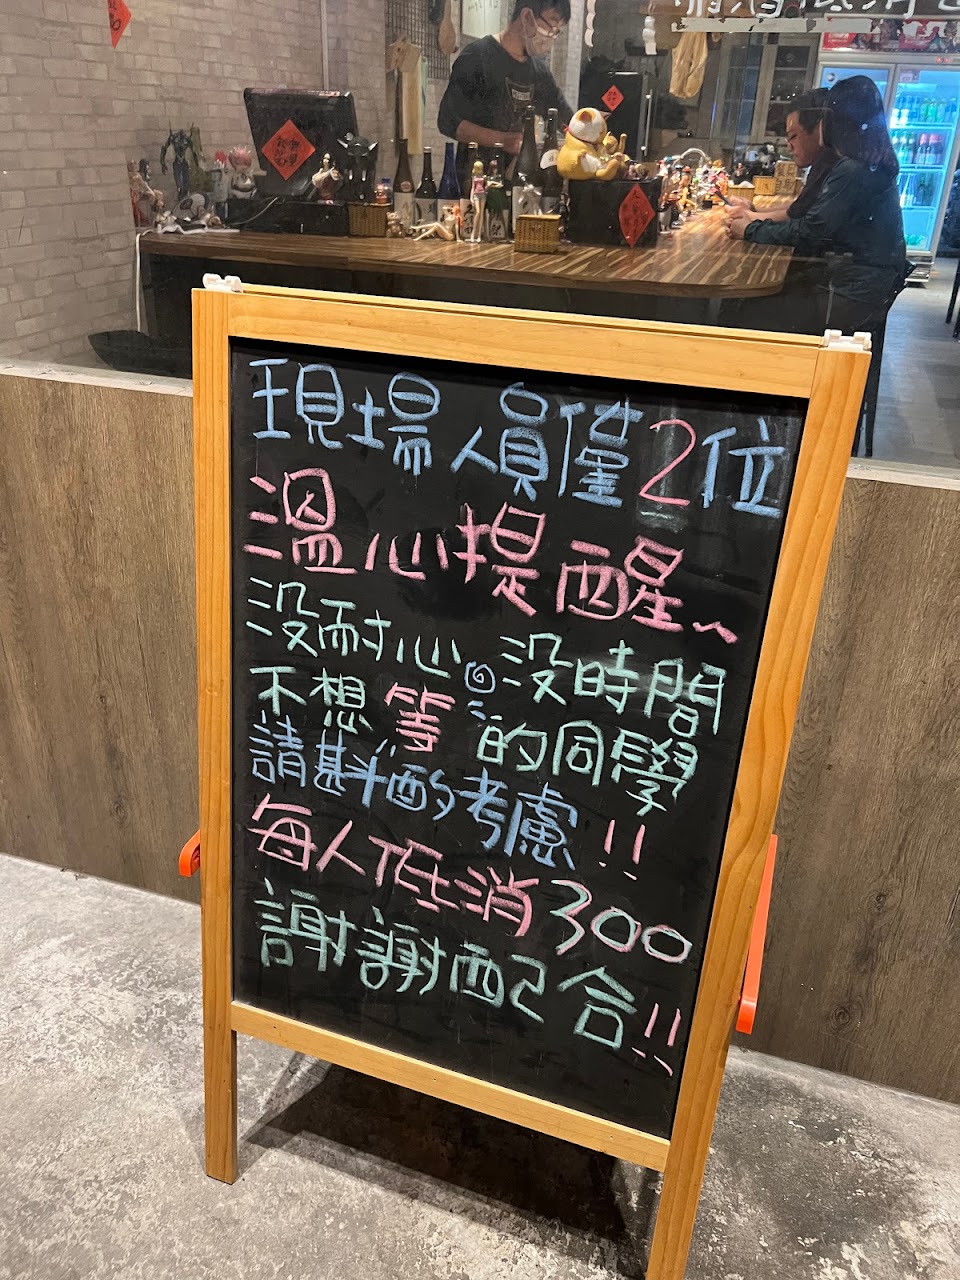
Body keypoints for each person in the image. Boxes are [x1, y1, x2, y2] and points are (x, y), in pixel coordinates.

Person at [726, 76, 907, 333]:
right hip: (864, 289)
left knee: (742, 312)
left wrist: (749, 229)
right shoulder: (867, 163)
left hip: (848, 293)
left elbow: (811, 231)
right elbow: (810, 220)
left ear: (836, 120)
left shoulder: (853, 169)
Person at [437, 0, 573, 171]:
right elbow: (448, 121)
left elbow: (566, 120)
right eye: (551, 27)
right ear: (526, 16)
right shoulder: (478, 56)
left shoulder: (540, 73)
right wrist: (503, 140)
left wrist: (590, 129)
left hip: (520, 180)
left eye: (557, 32)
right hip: (475, 179)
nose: (551, 37)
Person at [727, 88, 837, 226]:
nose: (789, 146)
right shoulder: (823, 161)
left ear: (820, 129)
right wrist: (753, 210)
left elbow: (800, 222)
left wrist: (748, 219)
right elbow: (798, 209)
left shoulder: (832, 163)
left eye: (793, 136)